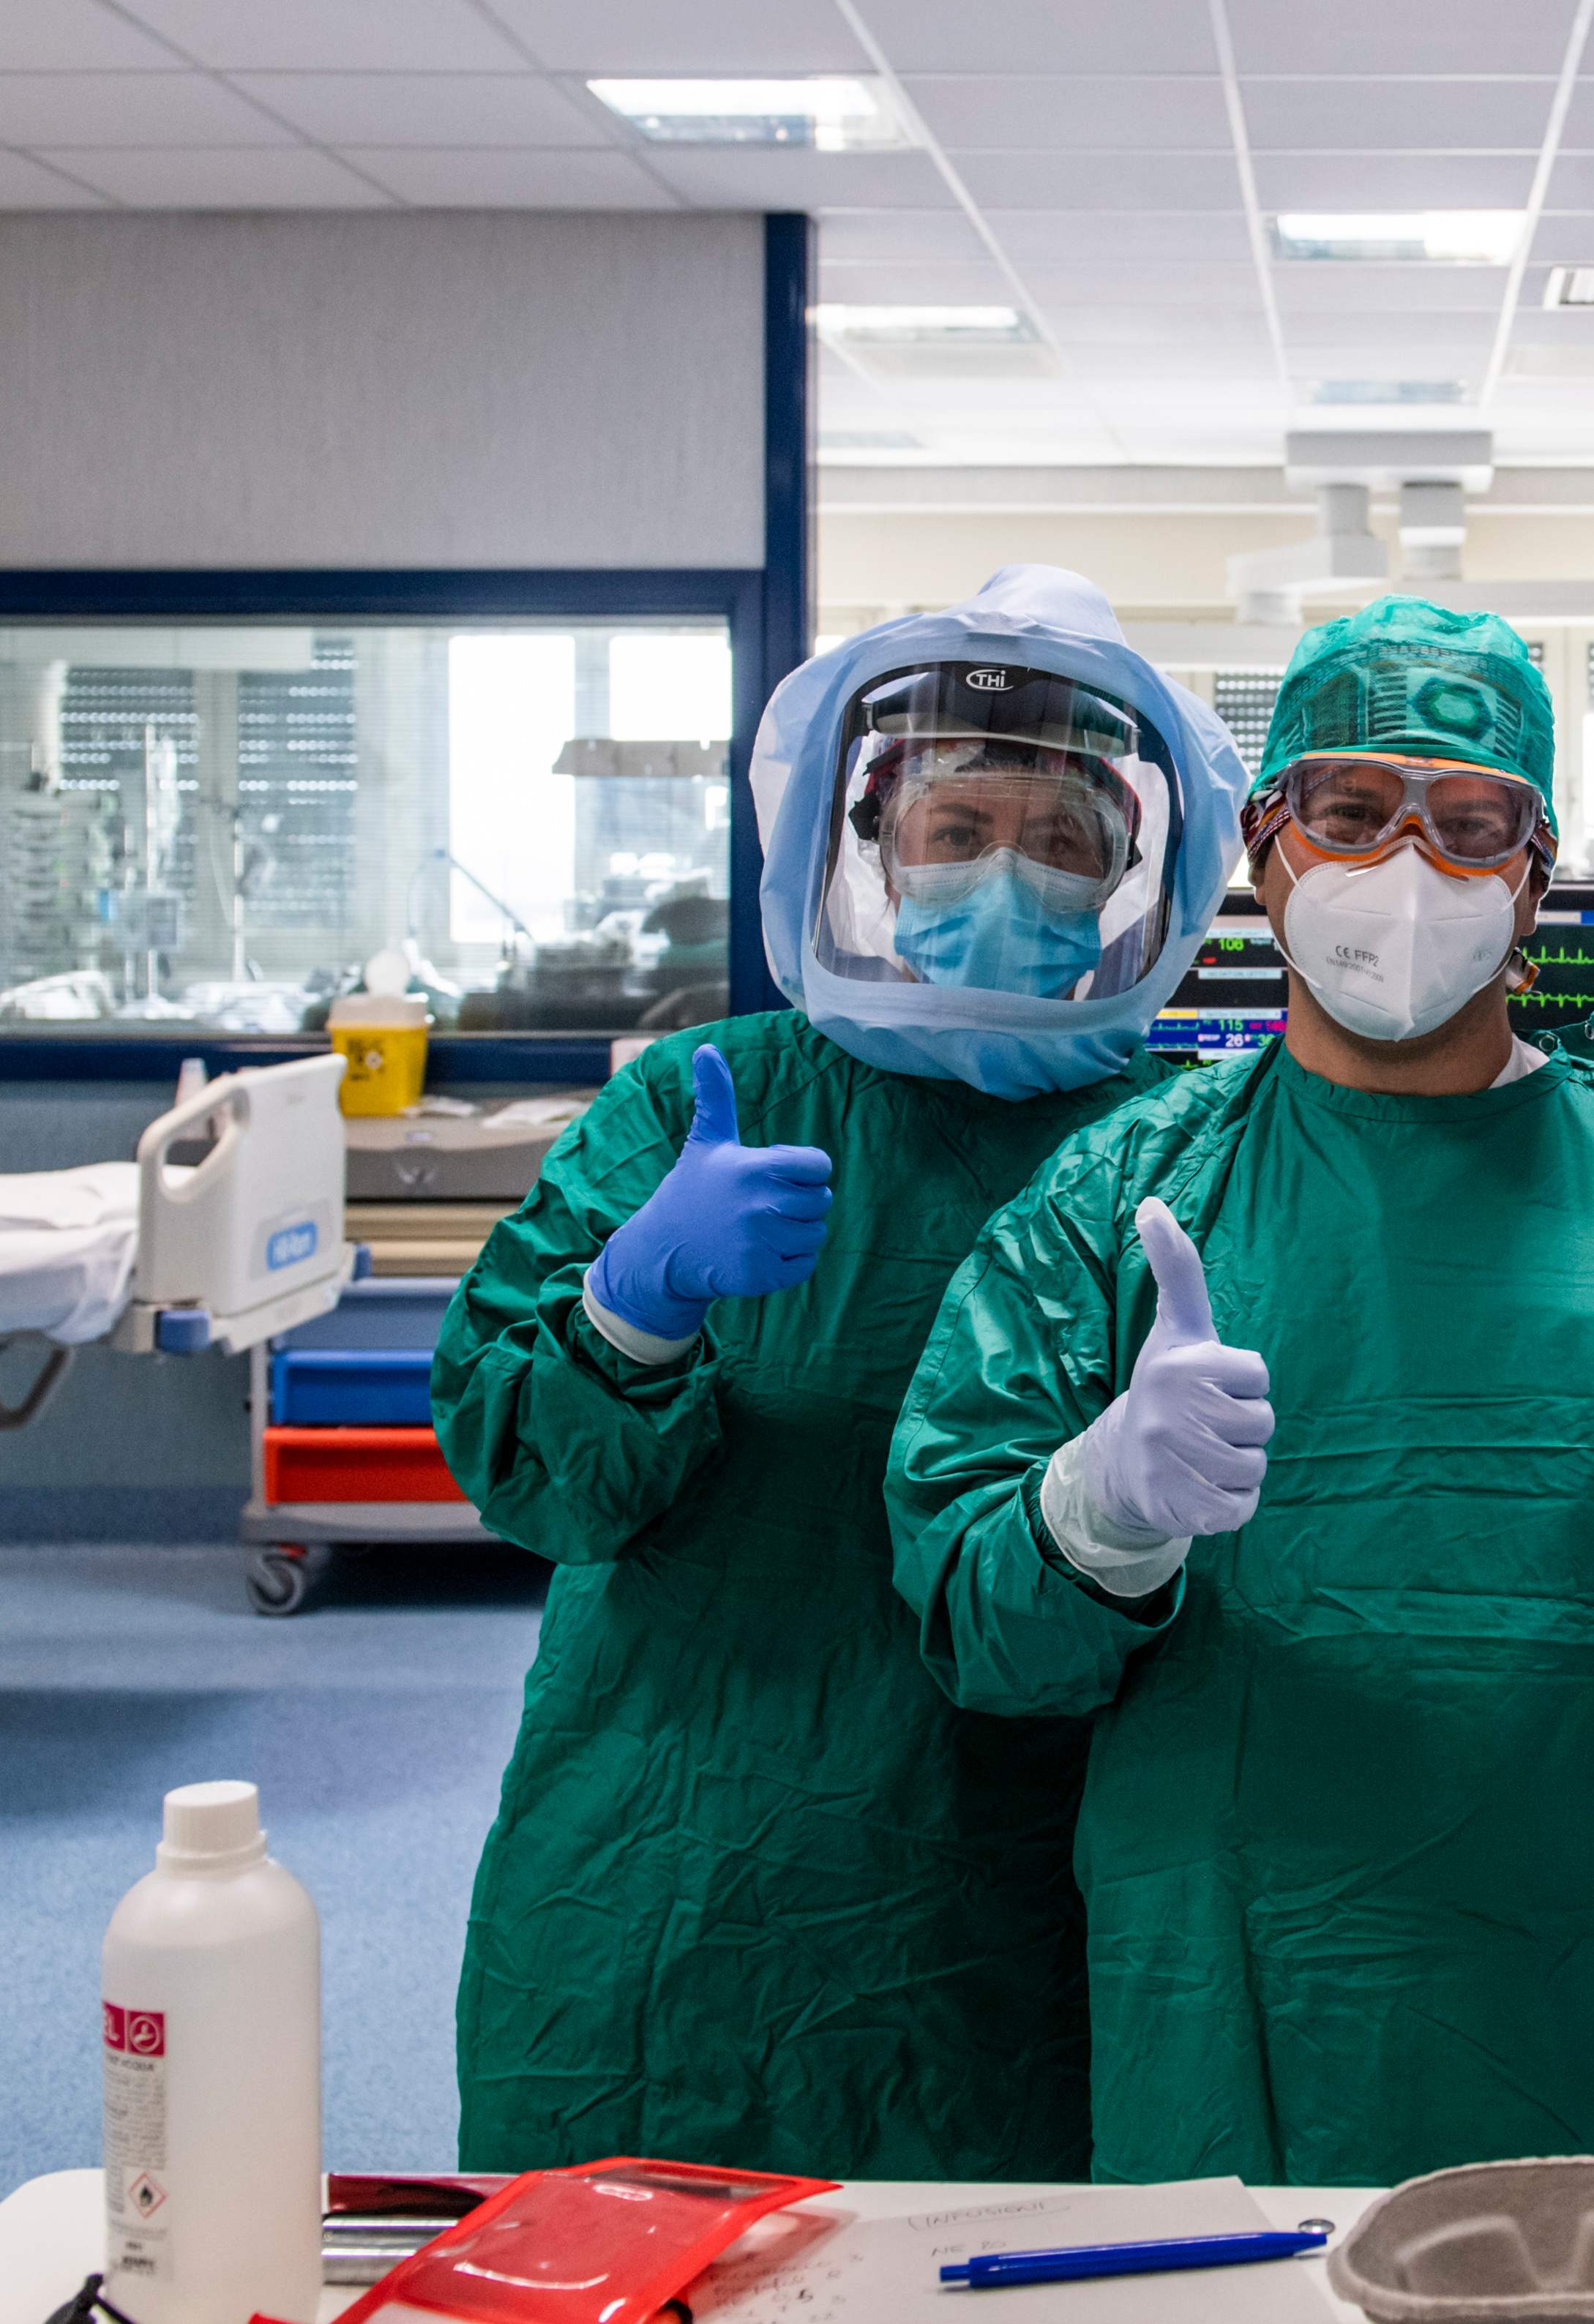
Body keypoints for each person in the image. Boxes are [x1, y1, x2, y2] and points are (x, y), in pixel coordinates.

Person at [884, 596, 1594, 2186]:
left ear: (1534, 874)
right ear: (1263, 842)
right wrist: (1098, 1511)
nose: (1408, 870)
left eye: (1469, 823)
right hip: (1233, 1970)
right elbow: (972, 1628)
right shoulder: (1126, 1196)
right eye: (1354, 814)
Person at [433, 565, 1248, 2178]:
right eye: (958, 832)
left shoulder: (1186, 1153)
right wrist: (633, 1304)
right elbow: (523, 1475)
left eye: (1063, 842)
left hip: (1028, 1888)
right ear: (872, 848)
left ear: (1131, 886)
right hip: (686, 1867)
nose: (1007, 873)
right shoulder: (703, 1098)